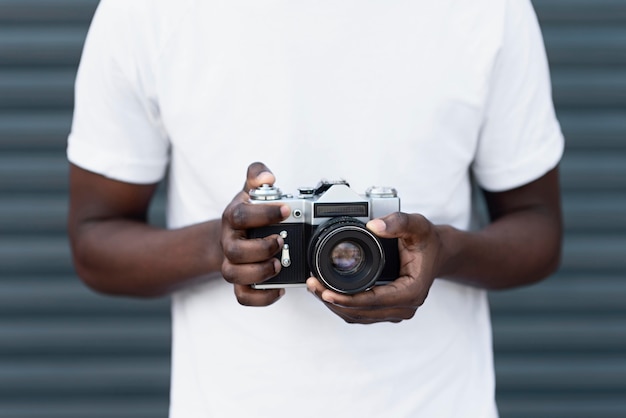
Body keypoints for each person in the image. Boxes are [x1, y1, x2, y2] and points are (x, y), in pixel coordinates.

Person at [67, 0, 564, 416]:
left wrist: (445, 251)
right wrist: (226, 247)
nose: (345, 254)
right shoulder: (145, 12)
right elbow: (95, 241)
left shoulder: (488, 10)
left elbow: (539, 230)